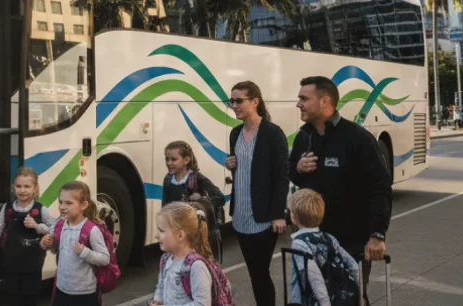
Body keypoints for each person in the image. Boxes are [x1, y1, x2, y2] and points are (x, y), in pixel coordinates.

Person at [289, 76, 391, 304]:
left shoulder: (357, 138)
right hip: (312, 239)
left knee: (349, 297)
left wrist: (377, 234)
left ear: (325, 101)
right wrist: (297, 167)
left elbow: (380, 187)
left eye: (304, 98)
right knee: (313, 298)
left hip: (351, 240)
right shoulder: (303, 136)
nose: (299, 104)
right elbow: (292, 173)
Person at [224, 80, 289, 306]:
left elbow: (282, 175)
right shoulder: (235, 134)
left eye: (239, 101)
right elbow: (243, 169)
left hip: (263, 218)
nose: (234, 105)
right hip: (240, 216)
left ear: (255, 101)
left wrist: (279, 213)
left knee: (260, 272)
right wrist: (231, 163)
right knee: (255, 272)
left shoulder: (273, 133)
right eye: (231, 101)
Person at [0, 167, 55, 306]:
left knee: (29, 300)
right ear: (13, 188)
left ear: (35, 188)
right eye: (18, 186)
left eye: (27, 186)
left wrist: (36, 226)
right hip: (11, 265)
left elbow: (54, 230)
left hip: (33, 267)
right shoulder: (8, 208)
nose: (22, 190)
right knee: (12, 299)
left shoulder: (40, 210)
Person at [39, 181, 109, 306]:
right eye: (60, 202)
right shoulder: (60, 225)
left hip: (85, 294)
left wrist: (84, 252)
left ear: (84, 205)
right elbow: (56, 250)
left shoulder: (91, 230)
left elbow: (105, 258)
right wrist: (47, 244)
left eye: (68, 203)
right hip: (61, 289)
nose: (62, 207)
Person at [287, 189, 361, 306]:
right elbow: (354, 266)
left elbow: (314, 279)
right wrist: (358, 293)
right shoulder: (329, 238)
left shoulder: (299, 244)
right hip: (340, 298)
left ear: (294, 218)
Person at [160, 140, 224, 263]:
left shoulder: (196, 178)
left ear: (186, 160)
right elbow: (165, 206)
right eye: (167, 159)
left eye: (173, 159)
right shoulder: (168, 180)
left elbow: (219, 197)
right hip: (177, 233)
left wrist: (200, 201)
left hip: (195, 234)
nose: (169, 163)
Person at [150, 202, 214, 306]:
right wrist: (158, 301)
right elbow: (161, 286)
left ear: (180, 235)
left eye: (161, 230)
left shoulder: (196, 266)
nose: (156, 235)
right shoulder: (165, 259)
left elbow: (203, 303)